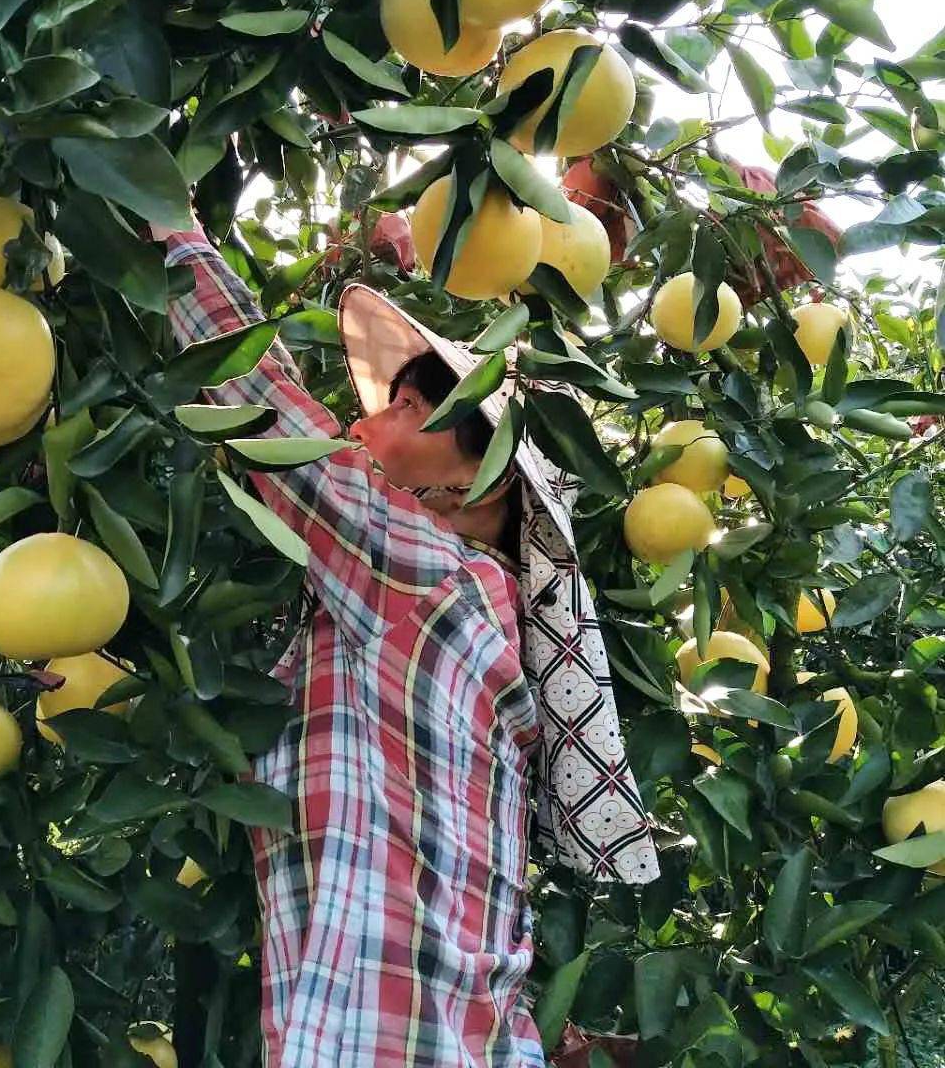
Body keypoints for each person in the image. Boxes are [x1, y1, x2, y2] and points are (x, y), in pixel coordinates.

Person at [153, 213, 659, 1068]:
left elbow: (266, 414)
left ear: (475, 476)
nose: (360, 427)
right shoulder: (462, 621)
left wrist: (170, 229)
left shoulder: (429, 579)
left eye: (403, 405)